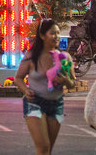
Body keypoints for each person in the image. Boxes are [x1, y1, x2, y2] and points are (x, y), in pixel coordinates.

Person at [14, 19, 75, 155]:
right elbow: (18, 78)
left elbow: (72, 83)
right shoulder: (31, 57)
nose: (57, 36)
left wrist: (66, 80)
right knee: (43, 147)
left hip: (56, 104)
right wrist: (26, 90)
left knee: (48, 149)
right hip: (35, 103)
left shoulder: (64, 57)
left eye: (58, 33)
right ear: (42, 36)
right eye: (53, 33)